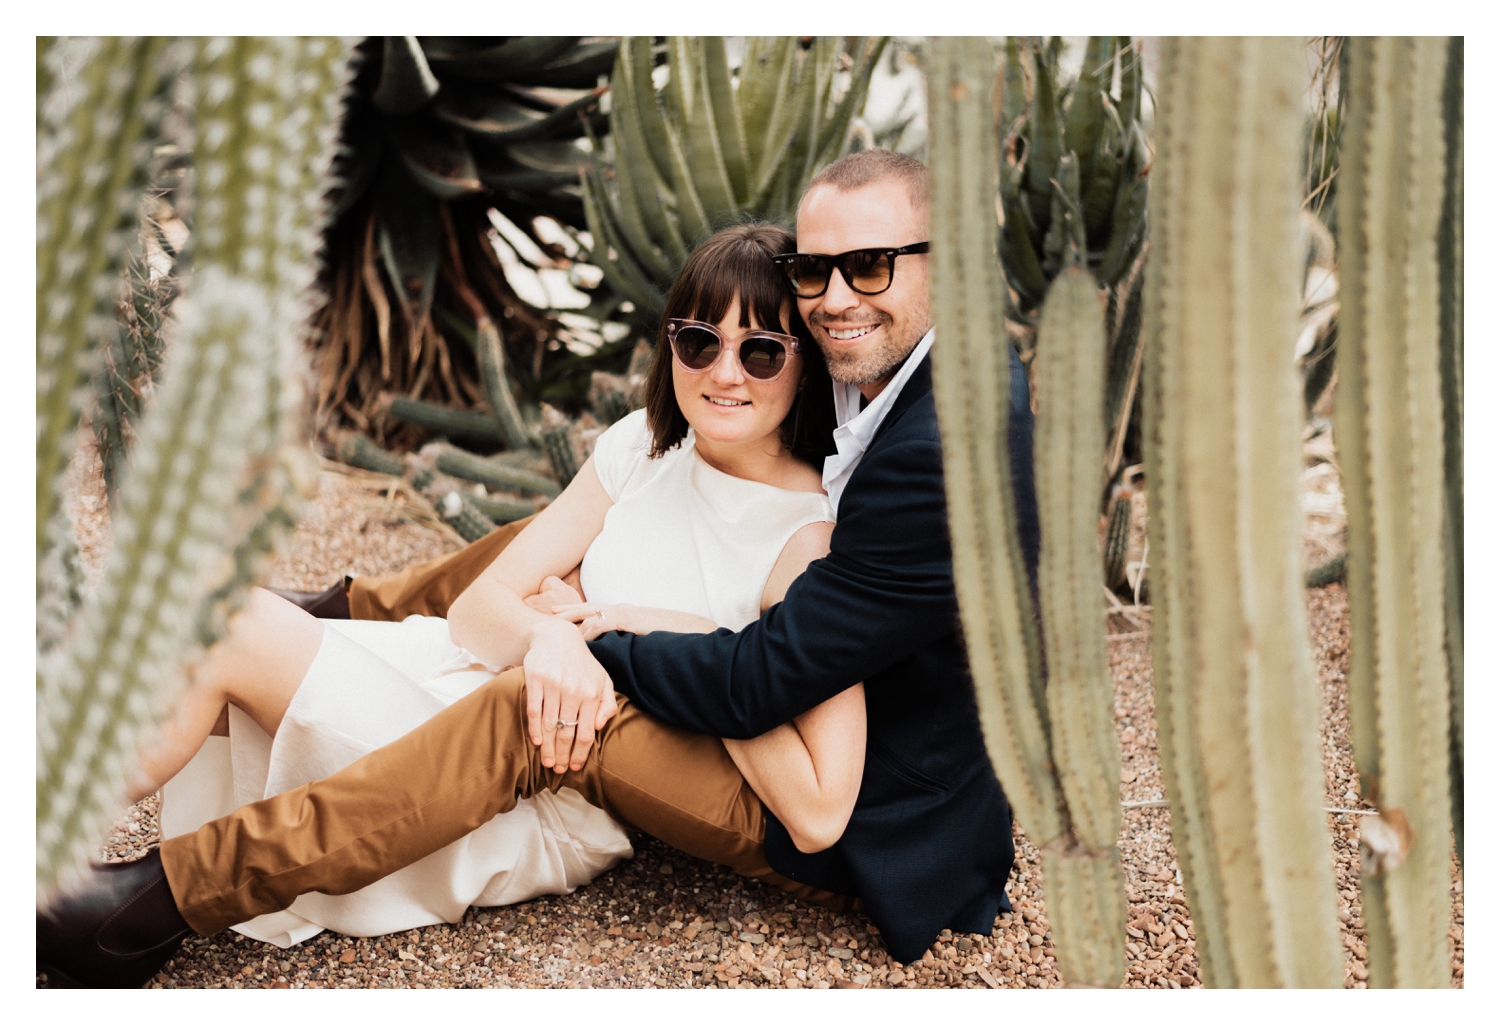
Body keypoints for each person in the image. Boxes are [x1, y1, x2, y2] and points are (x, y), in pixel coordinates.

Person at [38, 149, 1039, 985]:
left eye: (763, 351)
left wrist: (596, 628)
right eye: (698, 340)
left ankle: (138, 901)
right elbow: (488, 598)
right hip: (502, 682)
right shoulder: (663, 446)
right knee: (229, 617)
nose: (725, 370)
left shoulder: (831, 521)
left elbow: (807, 767)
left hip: (612, 774)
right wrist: (553, 627)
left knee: (434, 666)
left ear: (803, 365)